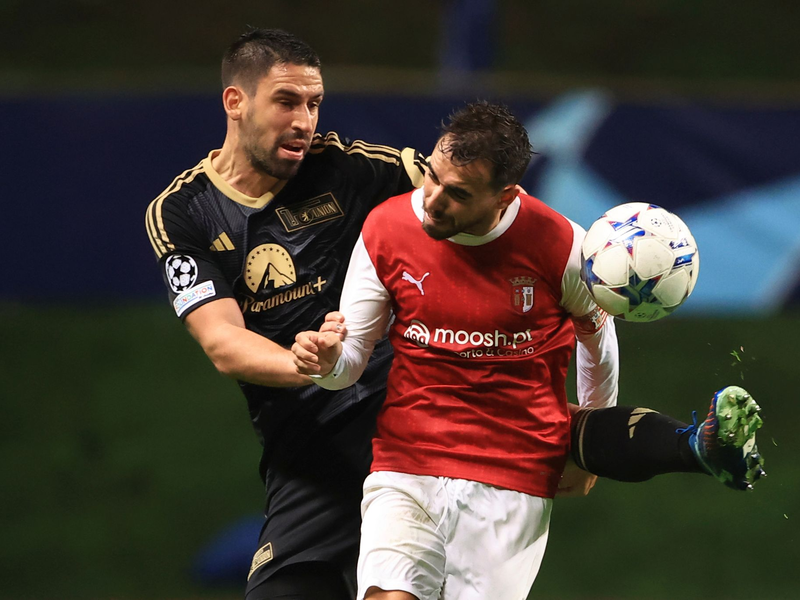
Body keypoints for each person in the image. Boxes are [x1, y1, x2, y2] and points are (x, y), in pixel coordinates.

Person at [292, 101, 765, 600]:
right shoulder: (385, 228)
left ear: (505, 196)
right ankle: (695, 446)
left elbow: (597, 342)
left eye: (457, 194)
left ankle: (696, 447)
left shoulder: (558, 245)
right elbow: (349, 363)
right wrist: (326, 364)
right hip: (408, 461)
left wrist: (591, 450)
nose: (432, 200)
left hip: (513, 472)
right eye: (431, 176)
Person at [145, 28, 426, 600]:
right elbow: (223, 341)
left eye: (314, 103)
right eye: (287, 102)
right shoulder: (184, 211)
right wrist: (312, 365)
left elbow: (473, 189)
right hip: (307, 454)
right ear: (235, 102)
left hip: (403, 421)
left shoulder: (354, 170)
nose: (305, 121)